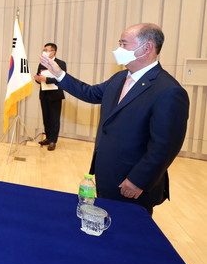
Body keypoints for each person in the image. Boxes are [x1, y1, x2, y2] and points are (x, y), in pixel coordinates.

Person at [40, 23, 189, 214]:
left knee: (129, 229)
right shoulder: (120, 78)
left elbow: (165, 146)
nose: (118, 49)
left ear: (147, 48)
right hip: (107, 176)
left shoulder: (168, 91)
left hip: (132, 183)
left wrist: (138, 180)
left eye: (124, 44)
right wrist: (59, 74)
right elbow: (90, 93)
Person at [33, 43, 66, 151]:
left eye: (46, 50)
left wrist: (46, 79)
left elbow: (61, 79)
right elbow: (40, 79)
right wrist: (38, 79)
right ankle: (47, 137)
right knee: (46, 117)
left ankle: (53, 141)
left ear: (53, 52)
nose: (44, 52)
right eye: (44, 50)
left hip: (55, 95)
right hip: (44, 94)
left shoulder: (61, 63)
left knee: (54, 119)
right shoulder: (42, 64)